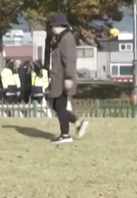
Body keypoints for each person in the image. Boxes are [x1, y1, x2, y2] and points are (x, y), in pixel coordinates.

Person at [47, 13, 88, 144]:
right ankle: (77, 122)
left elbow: (69, 60)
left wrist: (69, 77)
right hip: (58, 78)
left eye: (53, 26)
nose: (52, 29)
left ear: (59, 26)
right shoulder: (62, 38)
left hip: (62, 78)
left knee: (59, 105)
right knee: (56, 105)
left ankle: (65, 135)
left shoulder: (66, 39)